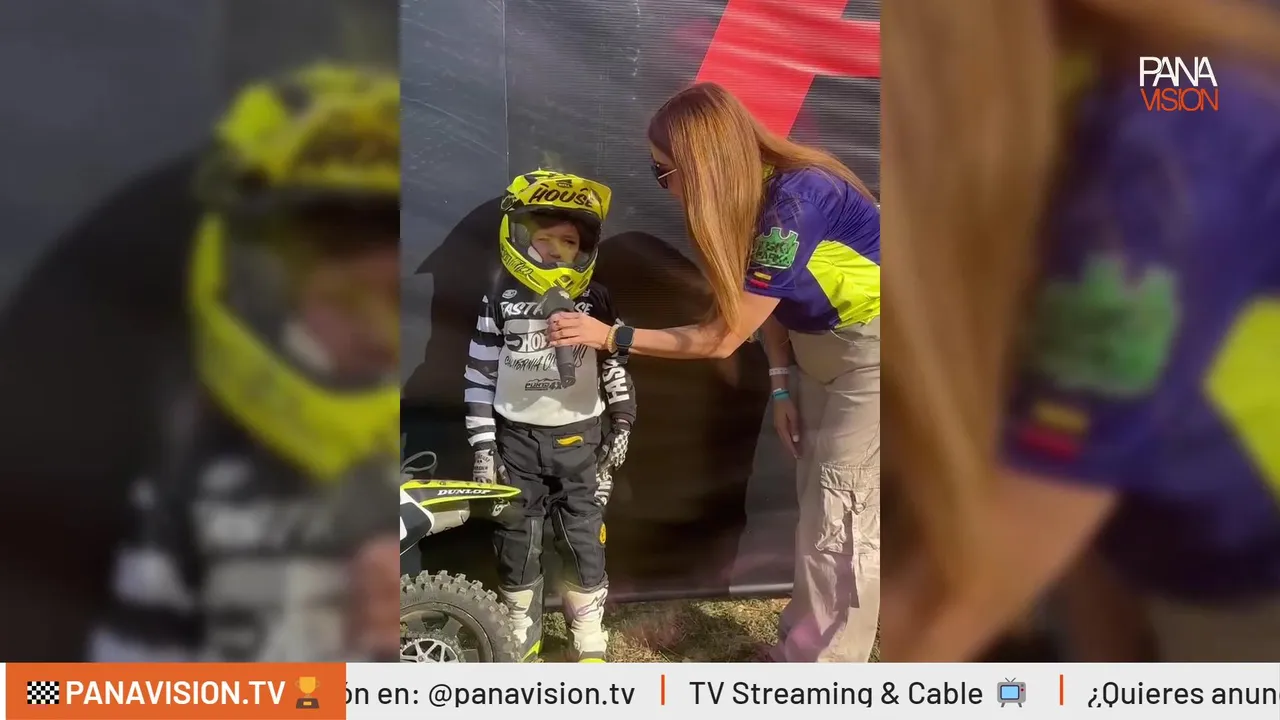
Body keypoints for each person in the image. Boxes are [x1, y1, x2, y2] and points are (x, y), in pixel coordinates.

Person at [879, 0, 1280, 662]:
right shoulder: (1055, 77)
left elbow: (1056, 466)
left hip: (1249, 580)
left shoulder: (1178, 113)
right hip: (1174, 555)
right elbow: (1065, 445)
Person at [548, 83, 881, 662]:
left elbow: (722, 337)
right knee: (822, 508)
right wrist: (782, 385)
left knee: (843, 515)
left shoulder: (796, 204)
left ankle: (827, 671)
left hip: (872, 355)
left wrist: (612, 336)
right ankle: (801, 647)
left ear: (701, 164)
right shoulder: (752, 204)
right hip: (817, 351)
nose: (665, 186)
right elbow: (764, 308)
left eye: (663, 172)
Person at [89, 64, 402, 661]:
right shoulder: (202, 483)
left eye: (397, 301)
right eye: (347, 299)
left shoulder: (459, 467)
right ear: (273, 293)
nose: (375, 329)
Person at [466, 170, 637, 663]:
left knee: (583, 534)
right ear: (523, 239)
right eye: (545, 239)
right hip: (515, 438)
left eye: (570, 242)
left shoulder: (596, 297)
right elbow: (479, 372)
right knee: (516, 536)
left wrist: (623, 424)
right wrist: (482, 444)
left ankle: (587, 631)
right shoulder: (498, 295)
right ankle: (521, 627)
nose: (557, 250)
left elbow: (615, 367)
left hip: (580, 438)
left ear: (584, 249)